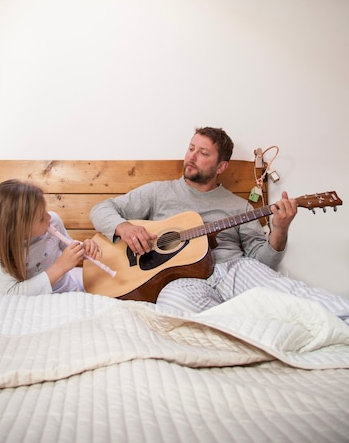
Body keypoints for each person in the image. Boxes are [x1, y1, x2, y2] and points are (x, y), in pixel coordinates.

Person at [90, 126, 349, 324]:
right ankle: (247, 328)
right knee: (174, 308)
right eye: (191, 148)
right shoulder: (158, 192)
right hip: (181, 279)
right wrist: (124, 227)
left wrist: (280, 229)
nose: (192, 157)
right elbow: (100, 209)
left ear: (221, 166)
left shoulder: (240, 207)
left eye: (203, 153)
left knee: (286, 291)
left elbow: (264, 262)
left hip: (232, 269)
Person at [0, 179, 101, 295]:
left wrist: (84, 249)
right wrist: (61, 267)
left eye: (45, 210)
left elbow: (68, 246)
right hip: (29, 305)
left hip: (67, 293)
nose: (48, 217)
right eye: (40, 218)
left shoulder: (53, 221)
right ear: (19, 228)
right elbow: (11, 293)